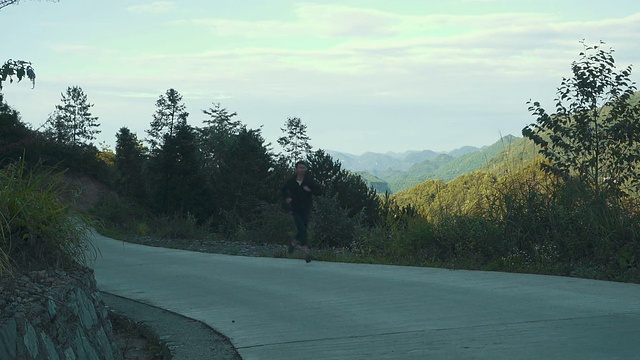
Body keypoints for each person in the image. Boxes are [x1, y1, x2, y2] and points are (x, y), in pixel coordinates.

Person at [281, 160, 321, 253]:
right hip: (295, 208)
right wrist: (287, 198)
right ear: (296, 169)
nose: (302, 170)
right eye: (300, 167)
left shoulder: (309, 181)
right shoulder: (291, 182)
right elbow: (283, 191)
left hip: (306, 208)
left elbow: (319, 191)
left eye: (303, 168)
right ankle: (305, 248)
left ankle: (294, 243)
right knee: (301, 228)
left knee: (303, 228)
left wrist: (309, 190)